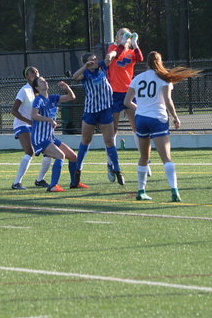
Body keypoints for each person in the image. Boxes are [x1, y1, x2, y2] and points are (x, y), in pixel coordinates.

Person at [124, 51, 201, 201]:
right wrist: (175, 117)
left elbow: (127, 102)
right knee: (166, 158)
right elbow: (168, 100)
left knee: (144, 157)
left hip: (141, 119)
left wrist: (140, 109)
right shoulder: (163, 78)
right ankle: (174, 191)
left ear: (147, 63)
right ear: (160, 62)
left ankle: (141, 191)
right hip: (157, 119)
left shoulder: (138, 78)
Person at [72, 52, 124, 186]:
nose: (94, 61)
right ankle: (78, 170)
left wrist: (111, 53)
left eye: (95, 59)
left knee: (109, 141)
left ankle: (117, 170)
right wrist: (85, 66)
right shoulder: (85, 73)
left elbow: (111, 56)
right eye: (91, 60)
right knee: (86, 140)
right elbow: (75, 77)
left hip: (105, 110)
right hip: (90, 111)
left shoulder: (101, 67)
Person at [105, 27, 144, 181]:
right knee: (113, 129)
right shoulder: (113, 48)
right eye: (121, 33)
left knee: (137, 126)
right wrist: (122, 43)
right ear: (117, 37)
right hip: (114, 93)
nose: (124, 35)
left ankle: (144, 159)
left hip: (129, 92)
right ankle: (110, 163)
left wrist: (135, 43)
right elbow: (115, 55)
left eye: (126, 33)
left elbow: (140, 58)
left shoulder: (131, 51)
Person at [30, 77, 78, 192]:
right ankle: (53, 186)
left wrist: (67, 87)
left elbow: (71, 97)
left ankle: (75, 183)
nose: (45, 82)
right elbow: (34, 115)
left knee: (73, 156)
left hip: (50, 137)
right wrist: (49, 120)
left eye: (44, 80)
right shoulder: (38, 100)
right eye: (41, 81)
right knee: (60, 155)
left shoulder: (52, 98)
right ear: (37, 87)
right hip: (40, 138)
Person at [10, 66, 53, 190]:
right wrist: (29, 121)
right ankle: (16, 183)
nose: (36, 74)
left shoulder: (39, 91)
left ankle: (40, 180)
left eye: (37, 71)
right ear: (27, 76)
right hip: (22, 124)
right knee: (29, 151)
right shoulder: (24, 90)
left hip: (35, 125)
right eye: (32, 72)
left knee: (48, 151)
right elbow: (14, 111)